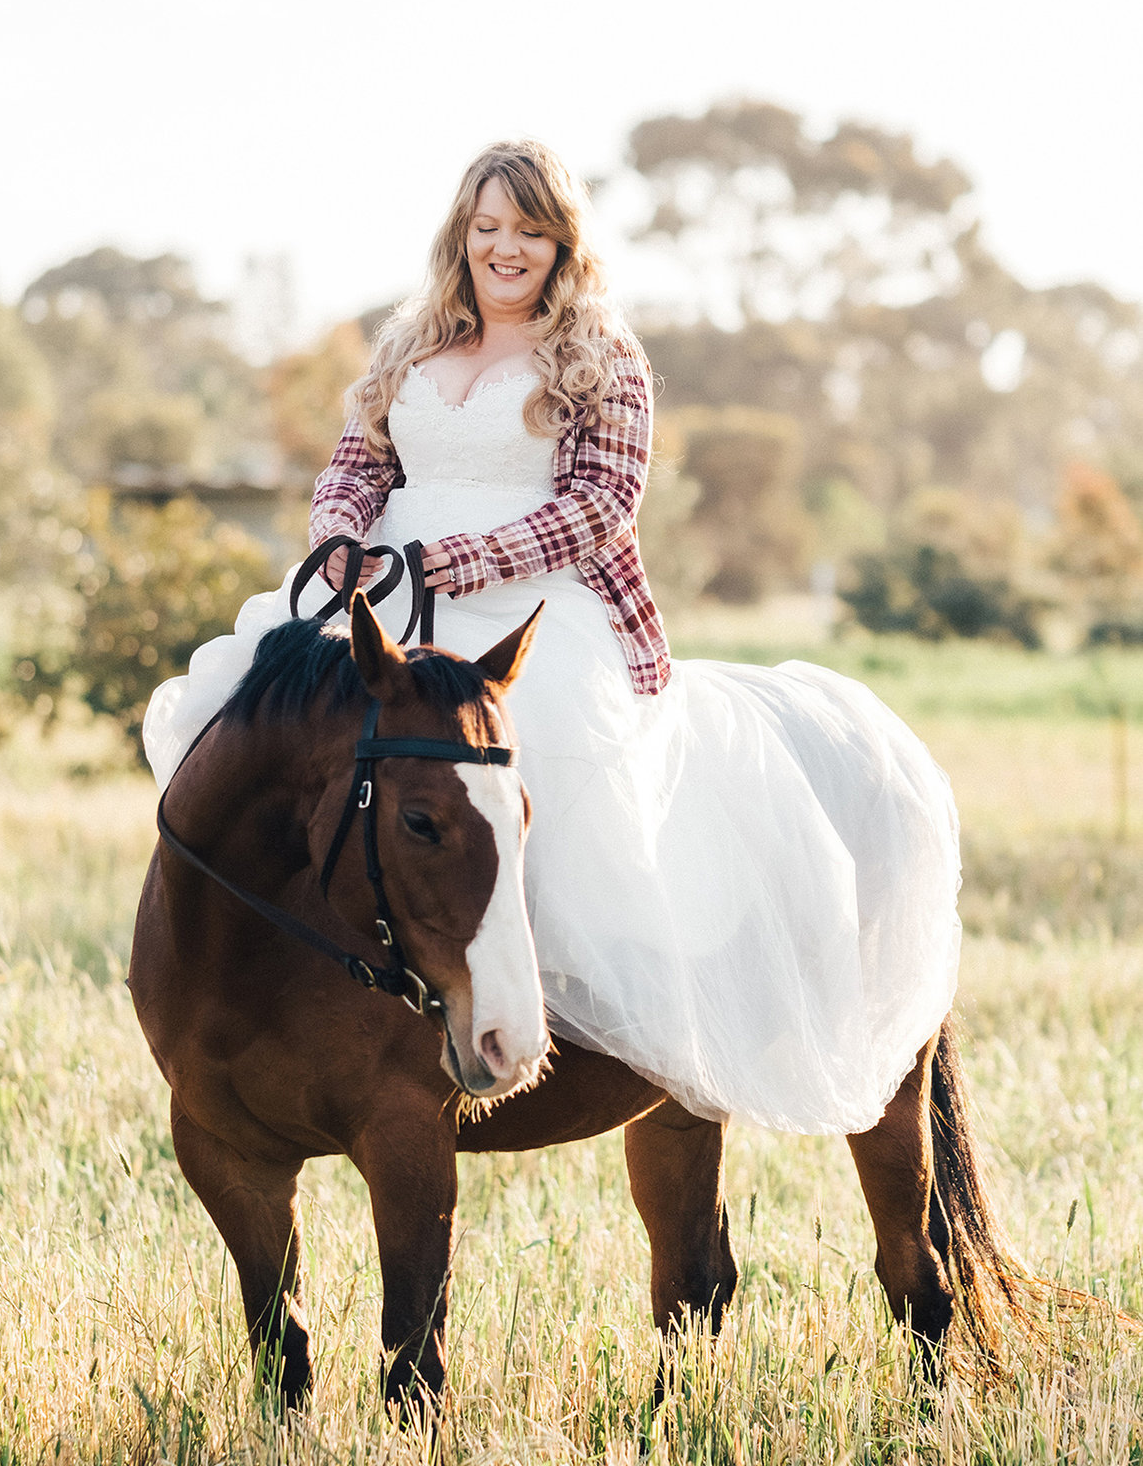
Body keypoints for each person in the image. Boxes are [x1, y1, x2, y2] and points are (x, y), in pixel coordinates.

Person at [144, 140, 960, 1136]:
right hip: (388, 592)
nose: (505, 248)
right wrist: (344, 535)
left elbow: (602, 505)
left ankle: (547, 995)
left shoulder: (601, 352)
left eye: (527, 231)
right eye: (487, 228)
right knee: (244, 715)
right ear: (462, 234)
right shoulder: (411, 338)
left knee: (541, 762)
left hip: (535, 601)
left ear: (559, 241)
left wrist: (469, 558)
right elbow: (354, 462)